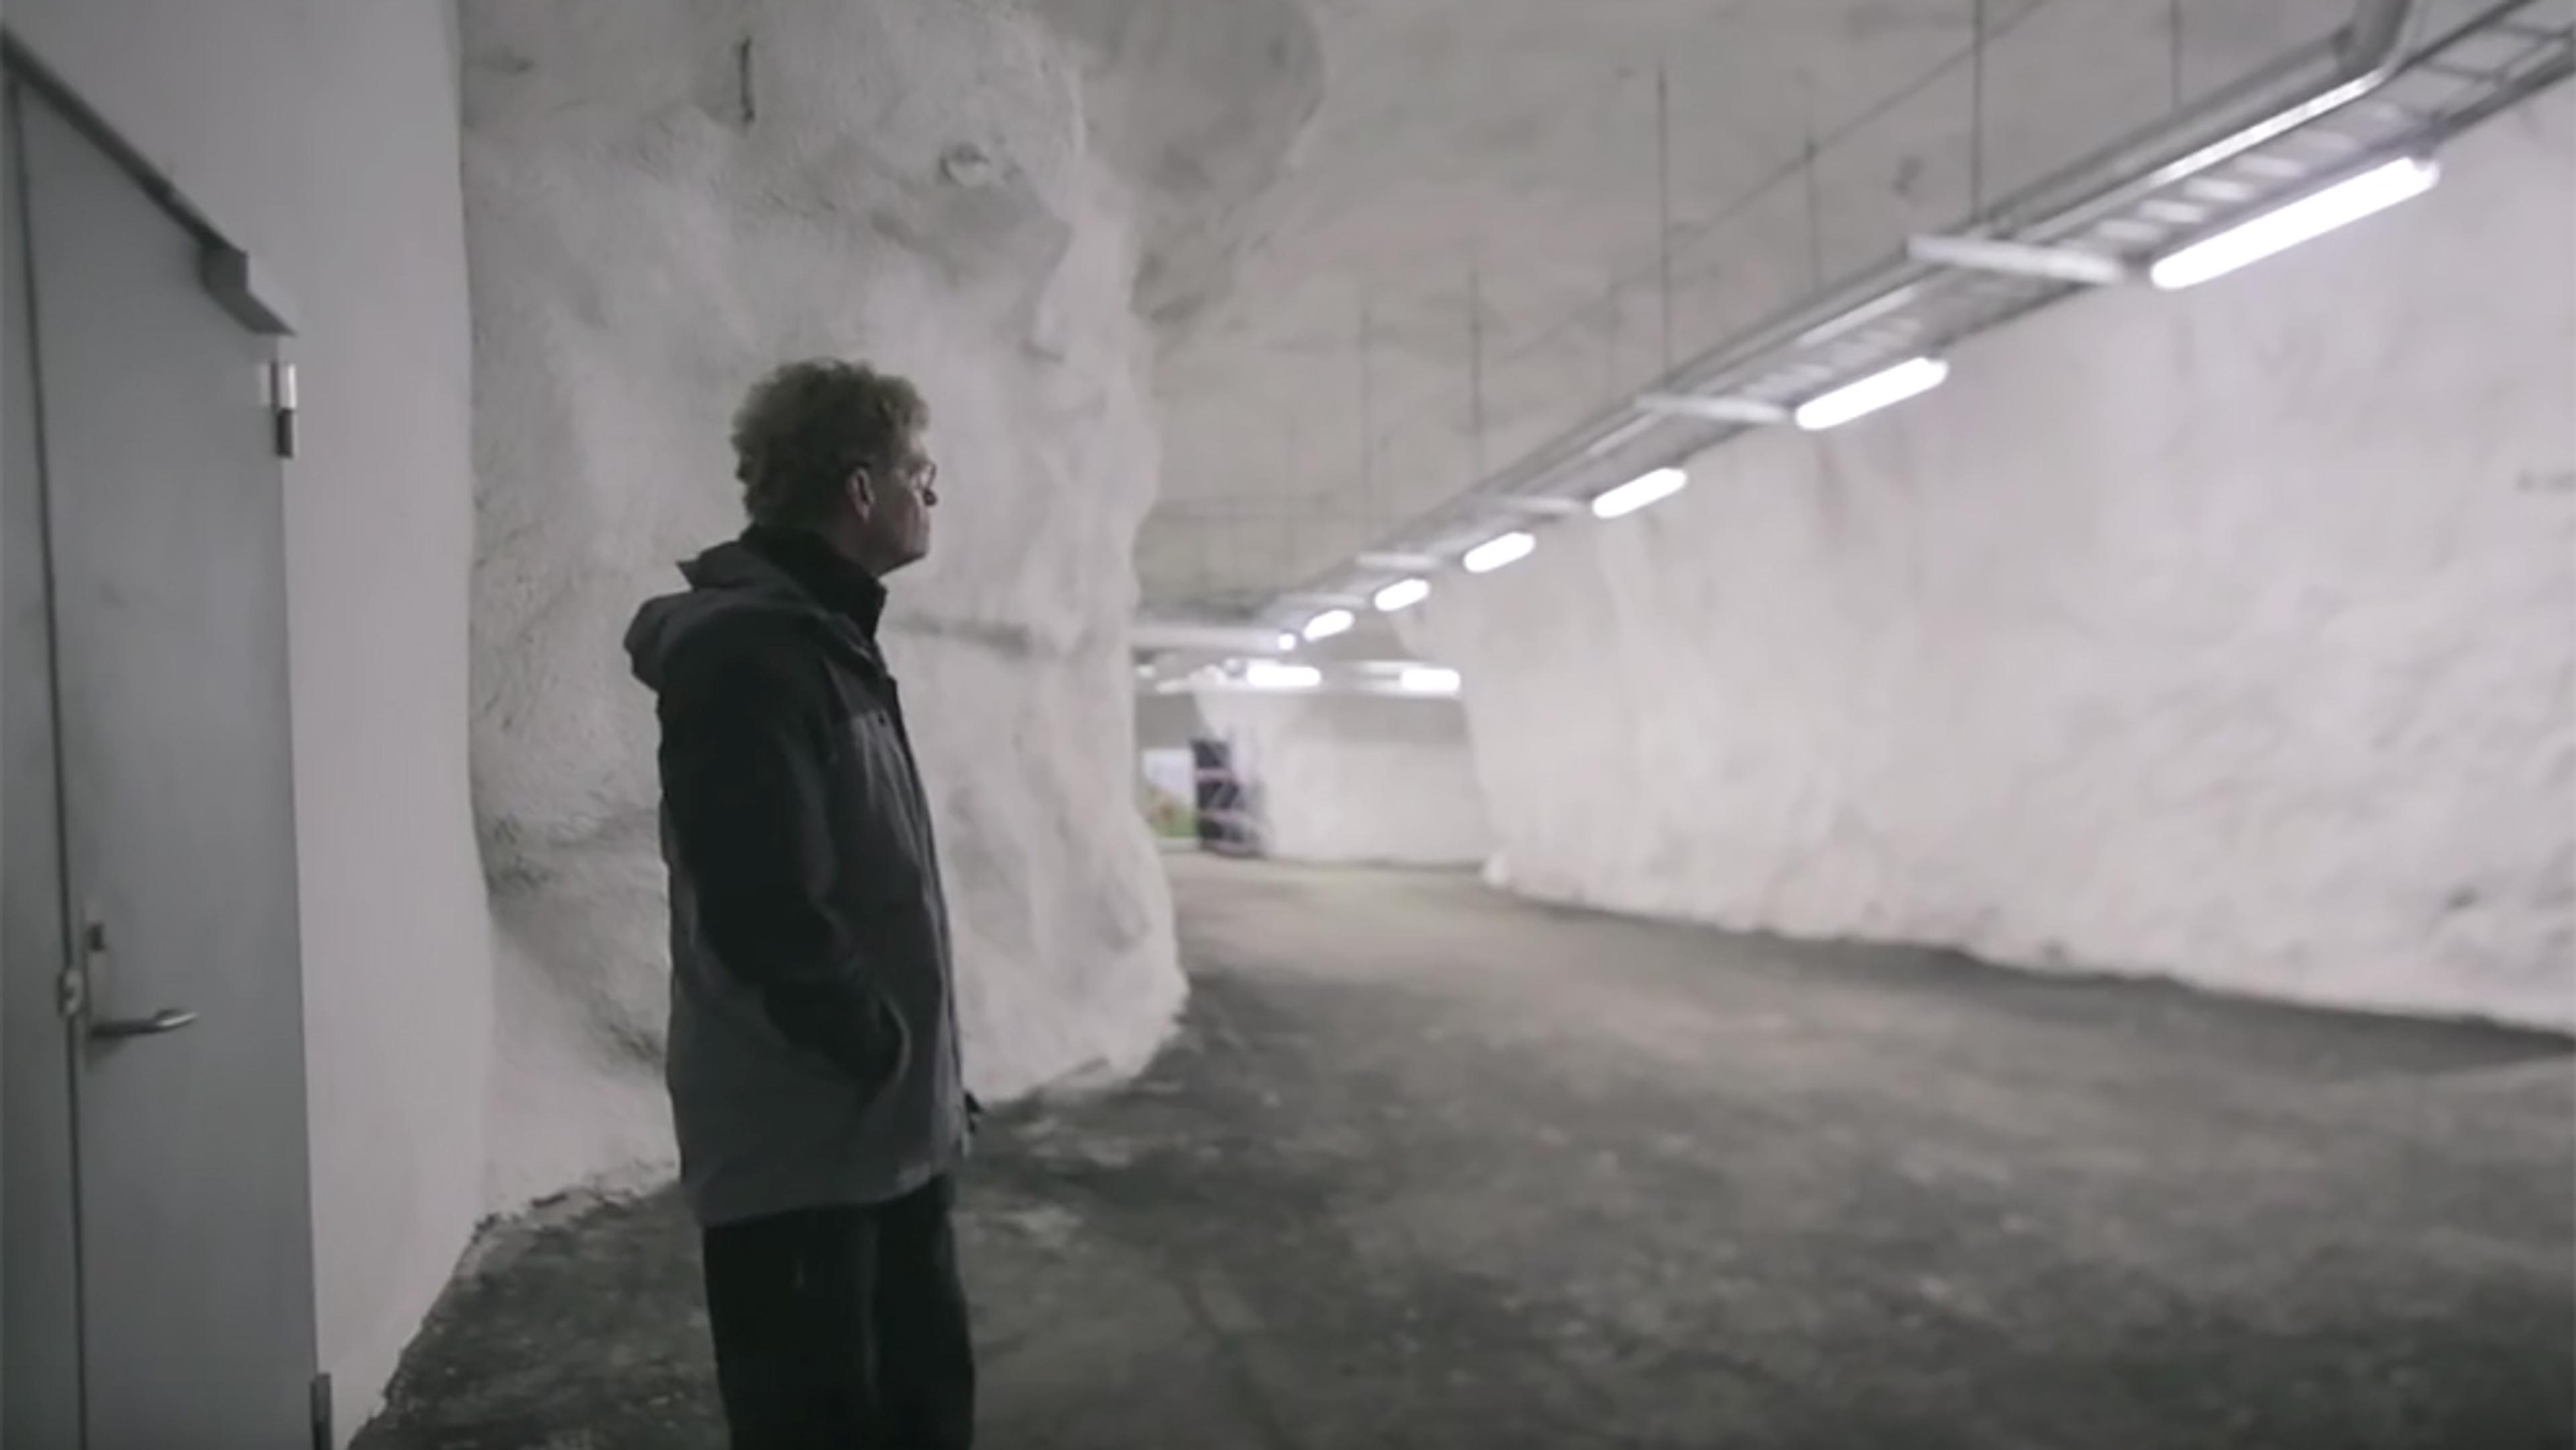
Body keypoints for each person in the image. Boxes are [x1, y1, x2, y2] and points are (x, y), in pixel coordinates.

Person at [625, 358, 975, 1448]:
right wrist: (871, 1045)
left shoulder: (824, 641)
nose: (935, 492)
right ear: (860, 490)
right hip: (806, 1141)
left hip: (870, 1132)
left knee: (916, 1403)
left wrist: (921, 1075)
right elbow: (767, 899)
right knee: (821, 1420)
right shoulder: (752, 653)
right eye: (921, 471)